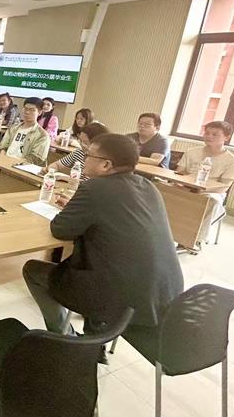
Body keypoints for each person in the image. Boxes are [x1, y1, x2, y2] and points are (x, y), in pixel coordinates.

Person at [22, 133, 183, 338]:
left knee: (33, 270)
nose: (84, 159)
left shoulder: (94, 188)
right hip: (164, 293)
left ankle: (65, 337)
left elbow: (60, 229)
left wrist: (76, 208)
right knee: (100, 261)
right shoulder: (148, 186)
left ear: (106, 165)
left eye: (88, 155)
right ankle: (90, 335)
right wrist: (80, 208)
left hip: (121, 296)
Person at [176, 121, 234, 245]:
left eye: (215, 134)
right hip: (187, 186)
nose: (209, 136)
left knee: (212, 200)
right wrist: (183, 185)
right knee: (161, 187)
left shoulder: (232, 161)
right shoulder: (192, 151)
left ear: (226, 137)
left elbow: (224, 187)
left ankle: (195, 240)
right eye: (207, 133)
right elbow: (180, 172)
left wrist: (201, 190)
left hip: (211, 191)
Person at [42, 123, 110, 180]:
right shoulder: (79, 152)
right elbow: (57, 165)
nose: (81, 145)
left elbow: (92, 184)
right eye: (80, 141)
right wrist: (50, 171)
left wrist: (67, 178)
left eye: (85, 142)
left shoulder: (100, 161)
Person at [0, 97, 51, 166]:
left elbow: (36, 158)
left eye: (32, 110)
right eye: (25, 109)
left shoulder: (43, 135)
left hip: (23, 167)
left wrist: (16, 164)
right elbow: (3, 146)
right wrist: (3, 159)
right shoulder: (13, 128)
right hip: (5, 162)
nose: (27, 112)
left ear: (39, 112)